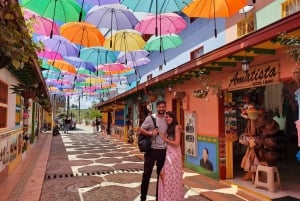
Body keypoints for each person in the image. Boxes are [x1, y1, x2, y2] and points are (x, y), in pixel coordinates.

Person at [139, 100, 168, 201]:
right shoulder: (150, 118)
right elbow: (141, 129)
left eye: (163, 107)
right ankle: (143, 197)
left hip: (163, 151)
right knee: (147, 175)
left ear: (165, 107)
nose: (161, 109)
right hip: (151, 150)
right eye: (159, 107)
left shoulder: (167, 118)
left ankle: (158, 197)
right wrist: (151, 133)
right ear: (157, 108)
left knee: (161, 176)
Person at [158, 111, 184, 201]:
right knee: (165, 175)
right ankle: (168, 197)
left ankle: (173, 197)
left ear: (173, 118)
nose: (168, 118)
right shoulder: (168, 128)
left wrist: (165, 140)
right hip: (167, 153)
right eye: (166, 117)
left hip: (174, 154)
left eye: (170, 117)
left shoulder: (176, 127)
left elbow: (177, 143)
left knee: (170, 176)